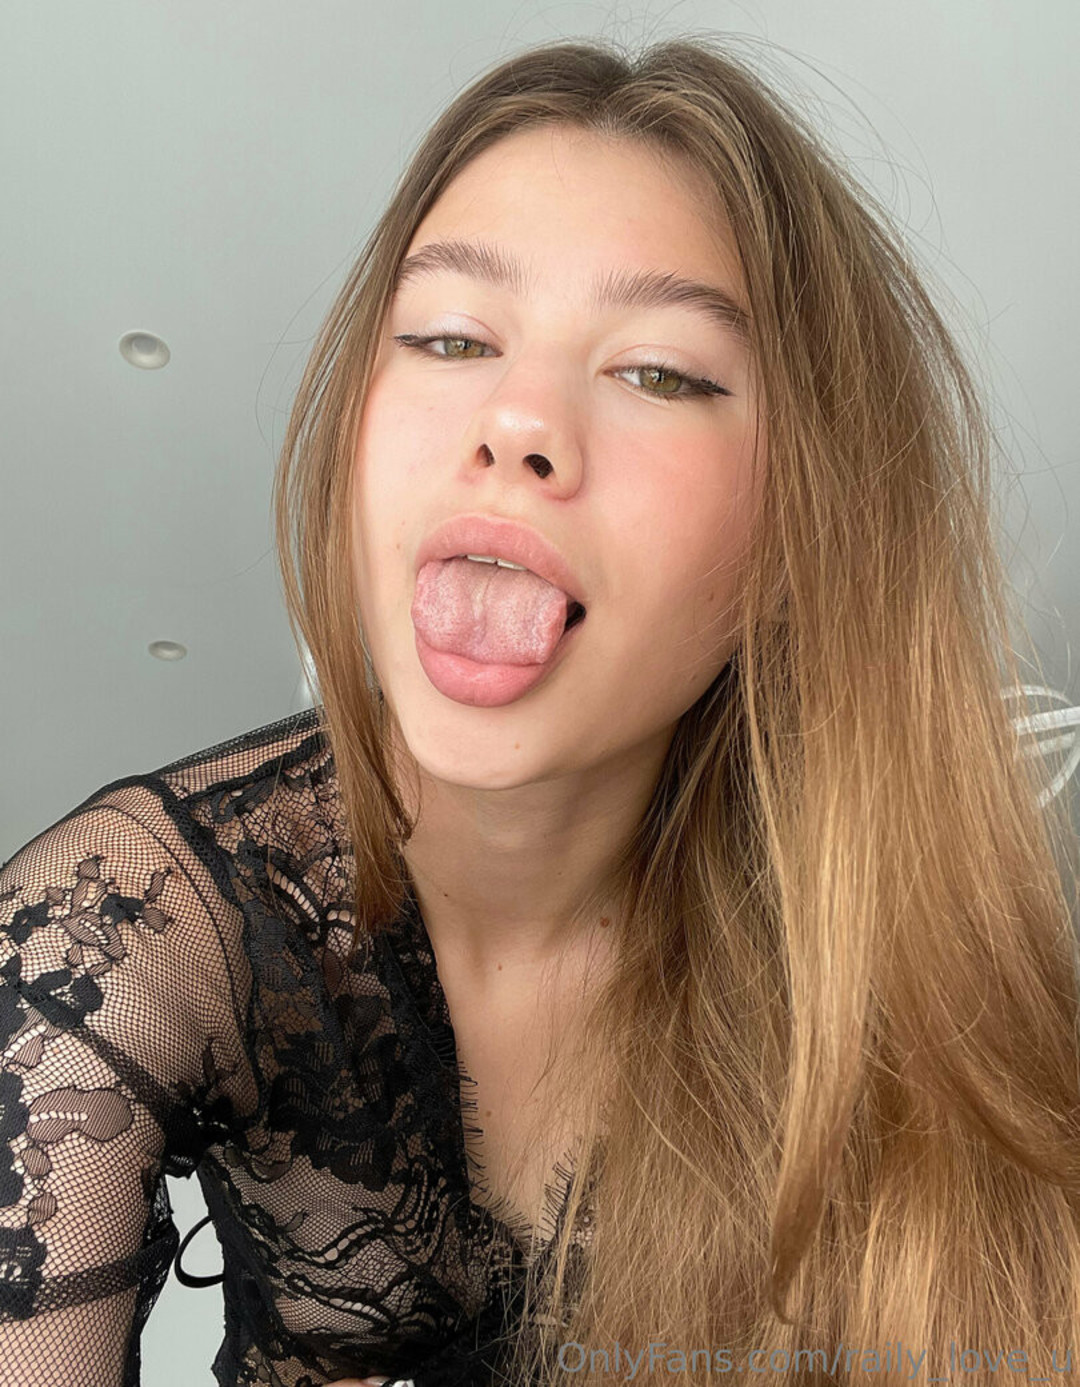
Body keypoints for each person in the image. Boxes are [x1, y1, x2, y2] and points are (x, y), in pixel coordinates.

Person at [1, 31, 1077, 1387]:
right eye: (449, 337)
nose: (516, 420)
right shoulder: (108, 944)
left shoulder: (897, 942)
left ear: (798, 535)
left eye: (660, 371)